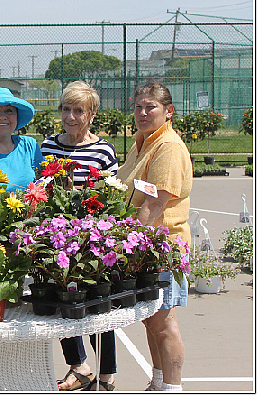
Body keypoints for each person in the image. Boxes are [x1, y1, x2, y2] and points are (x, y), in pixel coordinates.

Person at [41, 81, 118, 391]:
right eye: (66, 109)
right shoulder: (48, 146)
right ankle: (78, 365)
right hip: (58, 239)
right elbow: (43, 190)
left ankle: (107, 373)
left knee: (101, 305)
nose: (70, 117)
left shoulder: (103, 150)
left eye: (78, 111)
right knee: (63, 301)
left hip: (91, 241)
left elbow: (111, 196)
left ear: (92, 114)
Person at [117, 80, 192, 392]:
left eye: (151, 107)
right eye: (138, 107)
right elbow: (123, 185)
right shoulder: (143, 142)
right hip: (145, 245)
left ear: (169, 111)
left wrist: (127, 247)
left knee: (164, 322)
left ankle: (172, 388)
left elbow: (156, 203)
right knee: (151, 319)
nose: (143, 112)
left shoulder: (168, 147)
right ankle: (159, 381)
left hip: (163, 247)